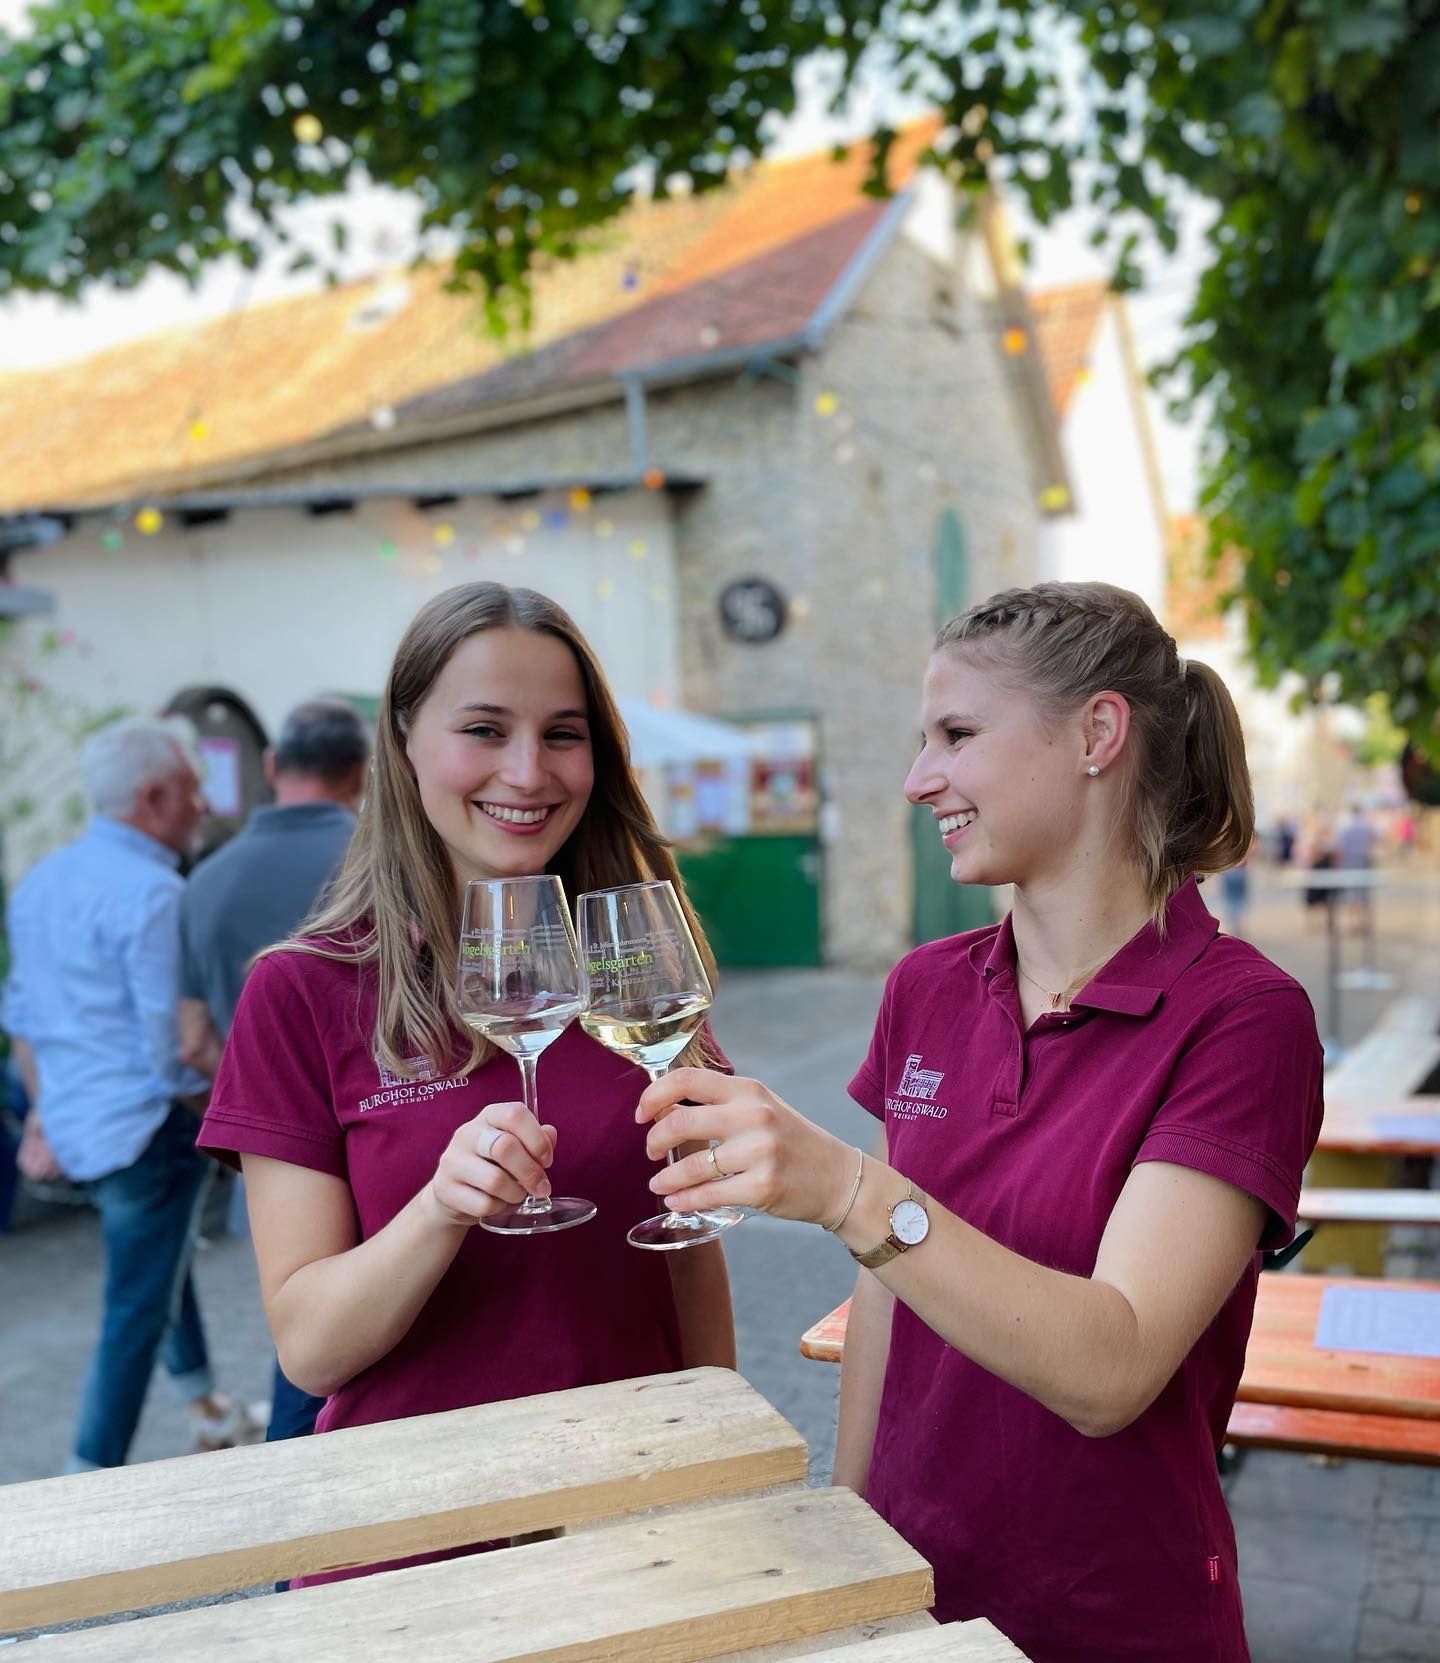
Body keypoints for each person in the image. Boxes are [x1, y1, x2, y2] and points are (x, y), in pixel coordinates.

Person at [638, 582, 1323, 1663]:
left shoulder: (1243, 1017)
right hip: (912, 1596)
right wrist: (845, 1545)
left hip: (1114, 1617)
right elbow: (885, 1292)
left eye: (956, 735)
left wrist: (846, 1189)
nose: (919, 779)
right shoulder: (925, 986)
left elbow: (1116, 1366)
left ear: (1098, 733)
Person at [197, 583, 735, 1582]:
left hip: (640, 1525)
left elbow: (689, 1259)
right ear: (402, 742)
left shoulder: (634, 960)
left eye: (562, 734)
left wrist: (724, 1471)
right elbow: (311, 1351)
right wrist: (442, 1208)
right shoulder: (304, 989)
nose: (528, 771)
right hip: (413, 1548)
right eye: (483, 728)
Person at [0, 716, 261, 1470]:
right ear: (152, 797)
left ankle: (207, 1405)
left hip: (80, 1122)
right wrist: (241, 1104)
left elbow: (22, 1015)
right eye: (190, 789)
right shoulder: (153, 891)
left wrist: (45, 1110)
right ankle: (88, 1476)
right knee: (135, 1306)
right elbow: (174, 1050)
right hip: (150, 1128)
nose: (203, 806)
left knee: (154, 1269)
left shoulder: (44, 878)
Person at [178, 698, 371, 1443]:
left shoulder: (203, 880)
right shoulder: (382, 860)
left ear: (269, 767)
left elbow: (192, 1040)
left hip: (270, 1167)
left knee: (300, 1357)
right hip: (393, 1158)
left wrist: (258, 1129)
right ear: (360, 771)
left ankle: (298, 1558)